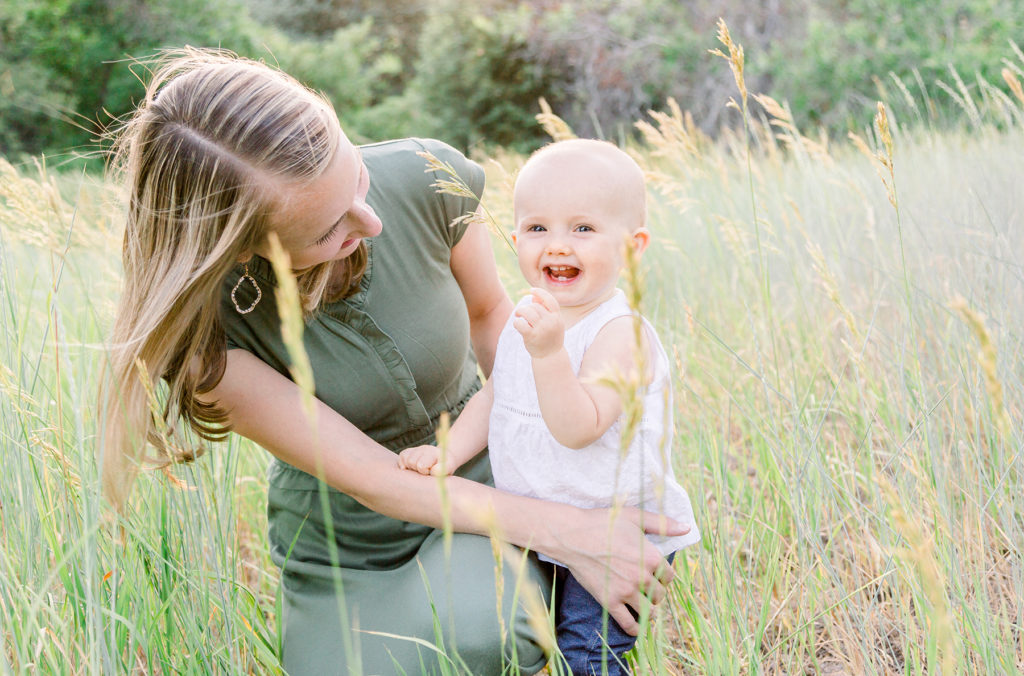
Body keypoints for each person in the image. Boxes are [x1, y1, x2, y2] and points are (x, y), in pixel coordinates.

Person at [99, 49, 688, 675]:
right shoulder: (203, 338)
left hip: (483, 489)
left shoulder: (425, 176)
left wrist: (570, 495)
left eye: (356, 176)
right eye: (330, 228)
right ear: (243, 248)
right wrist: (571, 532)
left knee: (481, 629)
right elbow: (378, 481)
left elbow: (493, 317)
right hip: (349, 546)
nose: (372, 221)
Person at [398, 139, 701, 675]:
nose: (557, 245)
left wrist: (550, 354)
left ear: (633, 247)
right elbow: (497, 394)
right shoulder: (532, 313)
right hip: (548, 518)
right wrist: (448, 453)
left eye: (583, 229)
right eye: (538, 229)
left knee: (587, 654)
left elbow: (579, 427)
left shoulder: (619, 334)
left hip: (612, 527)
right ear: (515, 240)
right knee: (537, 643)